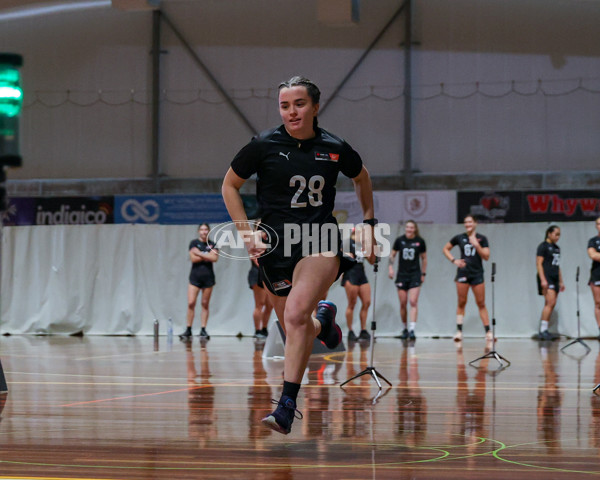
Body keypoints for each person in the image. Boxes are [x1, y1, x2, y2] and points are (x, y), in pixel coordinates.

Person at [222, 75, 376, 435]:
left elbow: (362, 177)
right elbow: (229, 185)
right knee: (295, 326)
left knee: (293, 314)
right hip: (275, 246)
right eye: (285, 105)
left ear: (315, 107)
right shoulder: (262, 145)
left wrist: (369, 222)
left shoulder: (335, 148)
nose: (292, 111)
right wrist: (247, 234)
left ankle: (286, 405)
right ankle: (326, 323)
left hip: (319, 240)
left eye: (299, 104)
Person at [442, 214, 492, 343]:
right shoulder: (460, 237)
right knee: (461, 302)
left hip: (477, 273)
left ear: (475, 223)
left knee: (481, 303)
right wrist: (454, 260)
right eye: (465, 222)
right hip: (463, 273)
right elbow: (445, 249)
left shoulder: (482, 238)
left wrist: (477, 245)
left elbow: (486, 256)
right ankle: (459, 331)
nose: (467, 224)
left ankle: (488, 332)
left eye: (470, 222)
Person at [388, 220, 427, 341]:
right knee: (403, 302)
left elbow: (424, 258)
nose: (409, 229)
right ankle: (404, 328)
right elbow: (392, 255)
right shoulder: (400, 240)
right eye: (407, 227)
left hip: (415, 274)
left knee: (413, 301)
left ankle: (412, 329)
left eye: (411, 227)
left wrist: (423, 273)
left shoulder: (420, 241)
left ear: (415, 229)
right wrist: (390, 267)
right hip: (402, 275)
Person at [179, 223, 218, 340]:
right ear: (198, 231)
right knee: (191, 303)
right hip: (195, 277)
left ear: (209, 231)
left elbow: (214, 258)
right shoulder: (193, 243)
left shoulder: (212, 244)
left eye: (206, 229)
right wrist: (207, 255)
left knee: (205, 304)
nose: (204, 232)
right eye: (202, 229)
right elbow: (193, 258)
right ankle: (188, 329)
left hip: (208, 278)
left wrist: (199, 253)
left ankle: (203, 329)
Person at [341, 227, 371, 342]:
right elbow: (347, 258)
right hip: (351, 274)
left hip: (361, 274)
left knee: (367, 302)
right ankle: (350, 330)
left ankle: (363, 330)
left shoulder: (362, 244)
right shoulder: (348, 243)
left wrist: (367, 250)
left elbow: (370, 259)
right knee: (352, 304)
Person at [536, 225, 564, 341]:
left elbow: (557, 265)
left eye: (559, 235)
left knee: (552, 304)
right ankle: (542, 330)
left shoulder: (557, 248)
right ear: (549, 233)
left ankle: (545, 329)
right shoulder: (543, 246)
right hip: (546, 277)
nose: (558, 237)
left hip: (554, 278)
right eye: (556, 234)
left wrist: (561, 281)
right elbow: (539, 263)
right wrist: (543, 279)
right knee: (549, 302)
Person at [248, 256, 273, 338]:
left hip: (269, 275)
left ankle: (264, 328)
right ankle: (257, 330)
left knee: (270, 305)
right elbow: (257, 261)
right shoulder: (256, 246)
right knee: (260, 304)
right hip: (258, 274)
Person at [588, 217, 600, 340]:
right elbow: (593, 255)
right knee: (598, 303)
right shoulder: (593, 241)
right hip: (597, 274)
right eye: (598, 224)